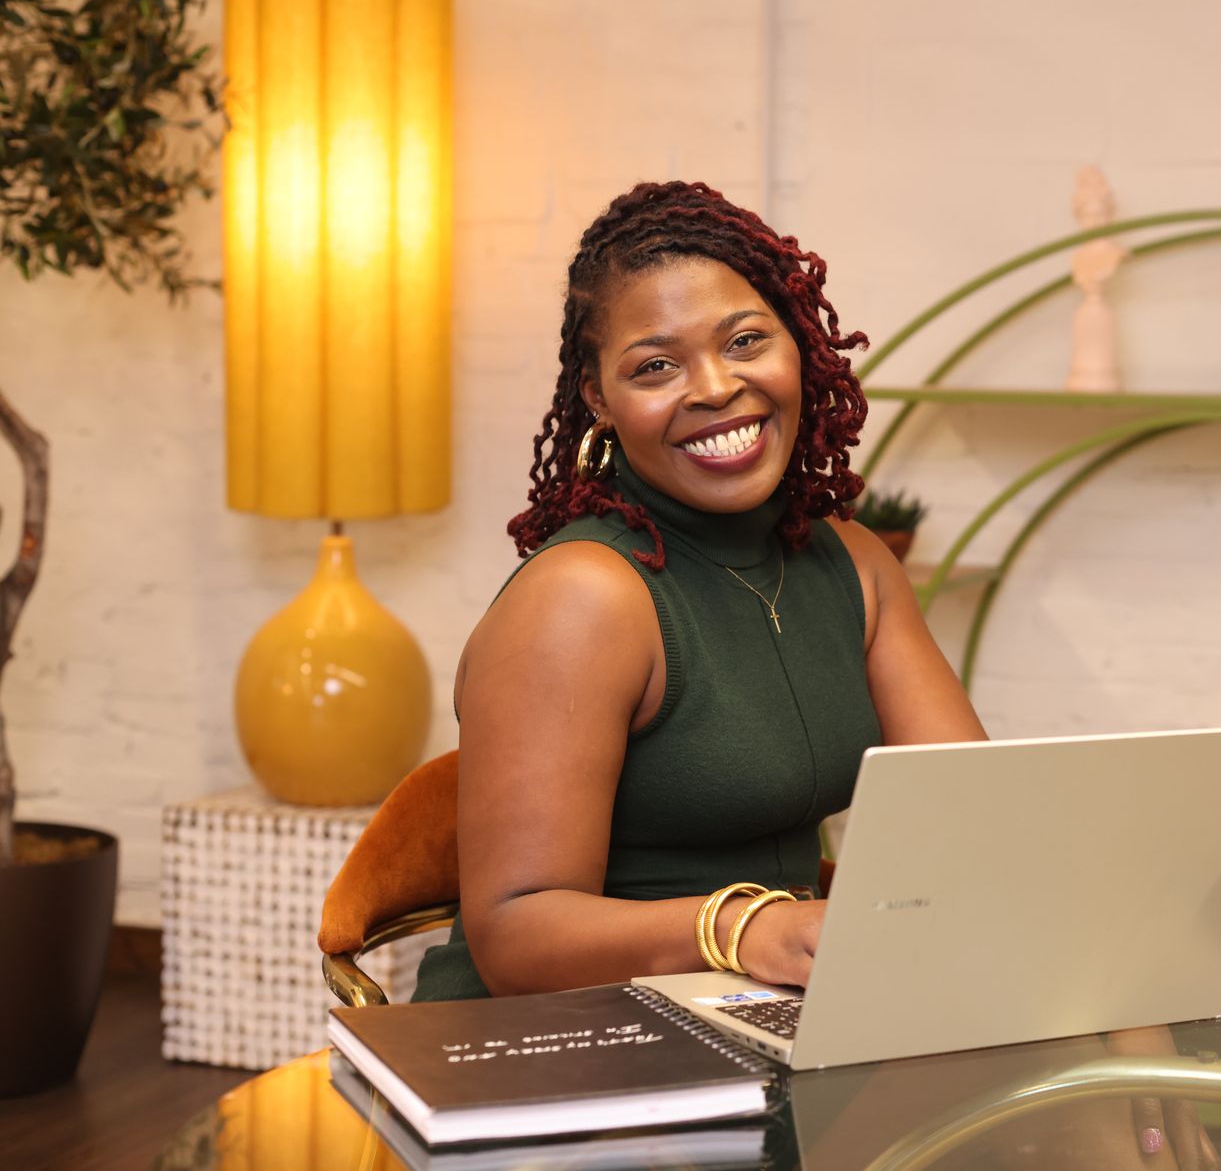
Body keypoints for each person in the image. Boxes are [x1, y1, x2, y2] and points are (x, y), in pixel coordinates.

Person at [412, 181, 985, 1003]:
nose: (715, 387)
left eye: (746, 340)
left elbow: (975, 820)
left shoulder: (855, 566)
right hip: (563, 1047)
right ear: (599, 402)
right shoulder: (583, 597)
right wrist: (742, 929)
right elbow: (516, 935)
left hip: (756, 1015)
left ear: (798, 347)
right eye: (655, 366)